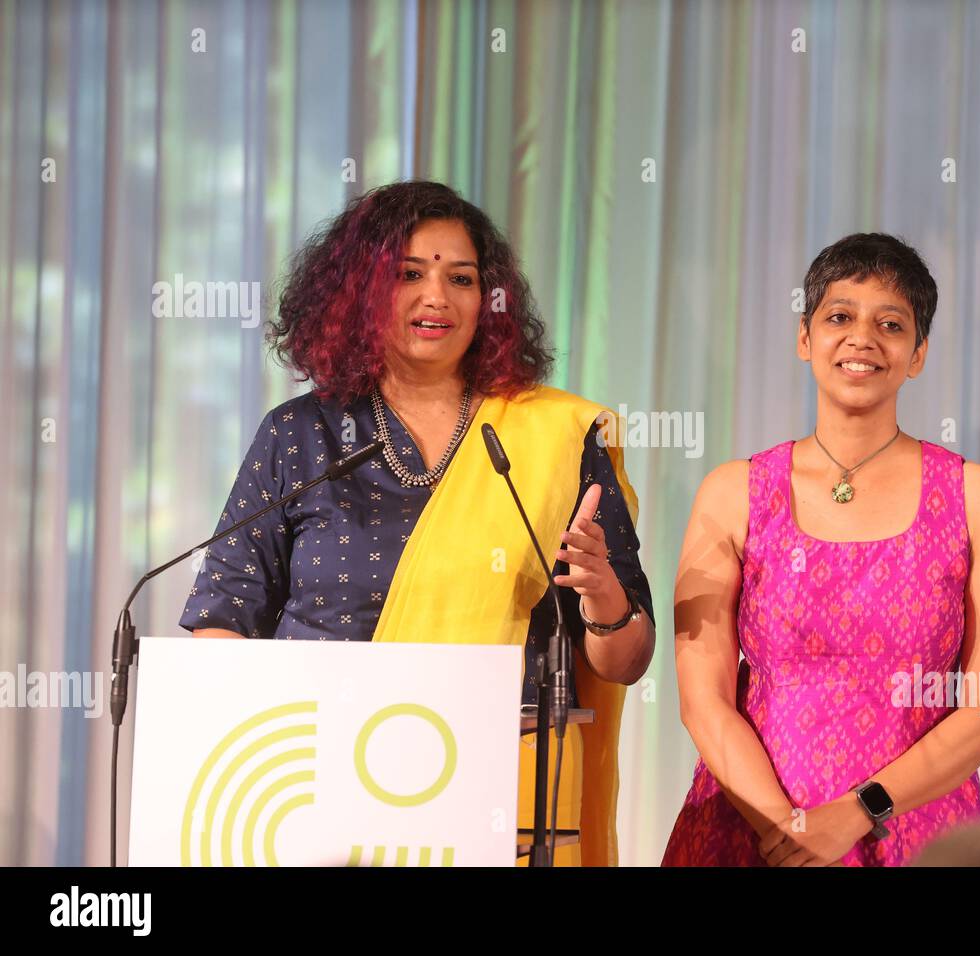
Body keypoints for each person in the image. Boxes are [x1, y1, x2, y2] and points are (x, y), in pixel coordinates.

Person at [181, 180, 655, 866]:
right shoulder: (301, 435)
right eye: (409, 274)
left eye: (461, 279)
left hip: (499, 798)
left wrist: (606, 596)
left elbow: (627, 660)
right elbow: (222, 616)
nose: (437, 297)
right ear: (359, 292)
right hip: (315, 789)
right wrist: (273, 744)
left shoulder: (551, 437)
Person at [662, 233, 980, 866]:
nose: (863, 338)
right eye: (840, 317)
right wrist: (789, 832)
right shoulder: (734, 492)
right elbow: (704, 700)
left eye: (890, 324)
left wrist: (859, 813)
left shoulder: (978, 498)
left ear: (917, 355)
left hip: (916, 834)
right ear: (804, 338)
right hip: (750, 832)